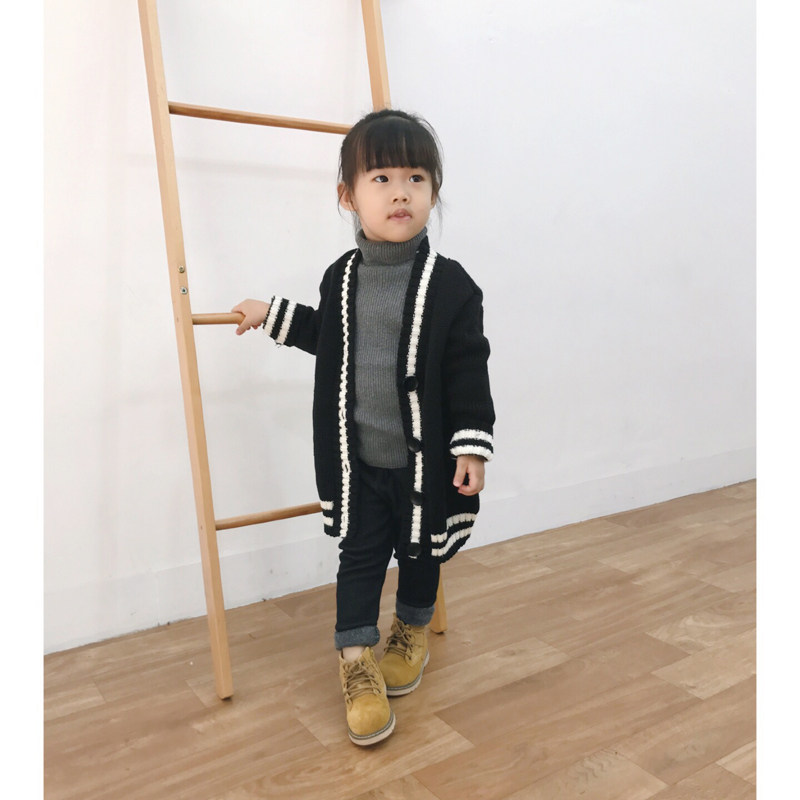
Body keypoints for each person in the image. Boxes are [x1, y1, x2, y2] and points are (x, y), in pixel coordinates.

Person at [232, 109, 495, 746]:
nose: (400, 192)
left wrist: (471, 446)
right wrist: (273, 314)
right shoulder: (342, 278)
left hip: (424, 464)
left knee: (421, 552)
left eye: (416, 178)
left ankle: (411, 629)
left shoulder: (451, 286)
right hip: (360, 464)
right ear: (348, 196)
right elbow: (328, 336)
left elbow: (467, 367)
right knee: (360, 557)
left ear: (433, 191)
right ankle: (355, 658)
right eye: (381, 178)